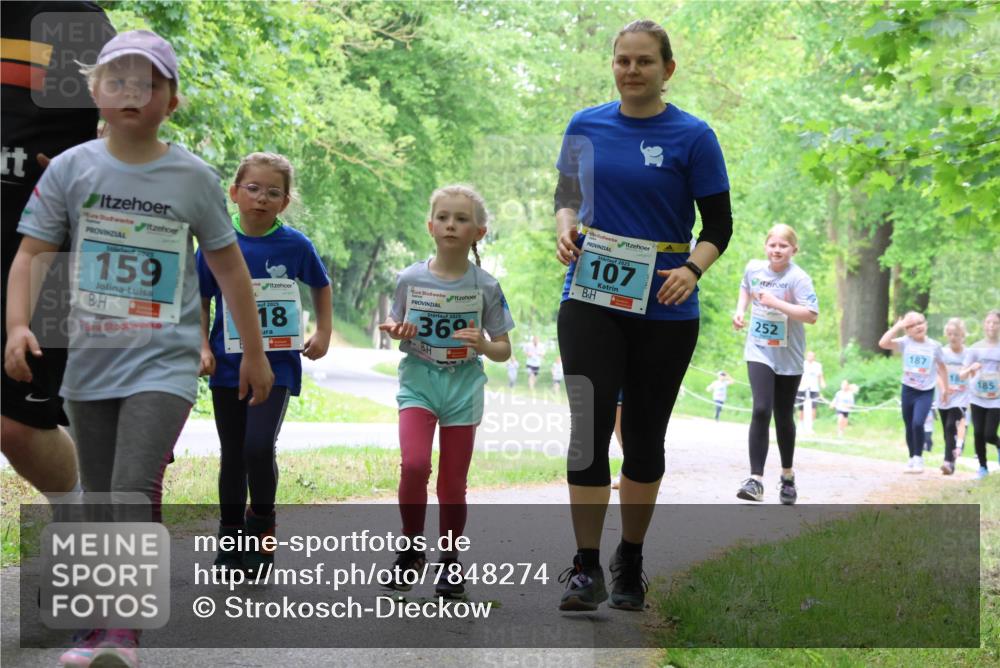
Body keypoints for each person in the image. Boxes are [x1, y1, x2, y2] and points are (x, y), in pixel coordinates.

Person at [3, 31, 274, 666]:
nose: (131, 92)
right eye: (117, 79)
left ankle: (122, 633)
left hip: (164, 359)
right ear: (95, 90)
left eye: (147, 82)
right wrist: (18, 325)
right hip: (89, 361)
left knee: (130, 486)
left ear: (171, 100)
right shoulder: (72, 168)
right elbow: (32, 255)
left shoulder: (193, 178)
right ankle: (97, 628)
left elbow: (230, 269)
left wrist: (254, 353)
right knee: (100, 497)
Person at [554, 19, 732, 612]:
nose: (631, 71)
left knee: (646, 438)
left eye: (644, 62)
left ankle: (628, 556)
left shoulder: (693, 136)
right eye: (622, 60)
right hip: (590, 295)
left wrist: (693, 269)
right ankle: (584, 567)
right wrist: (563, 227)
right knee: (588, 431)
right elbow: (567, 195)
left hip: (665, 300)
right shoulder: (585, 125)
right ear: (613, 65)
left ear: (667, 69)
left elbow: (719, 227)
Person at [196, 152, 332, 572]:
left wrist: (324, 332)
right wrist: (202, 344)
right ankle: (231, 538)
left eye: (273, 192)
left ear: (285, 202)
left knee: (258, 447)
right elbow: (200, 299)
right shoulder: (218, 244)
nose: (261, 198)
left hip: (278, 365)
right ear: (234, 193)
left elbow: (321, 286)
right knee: (233, 452)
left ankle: (262, 529)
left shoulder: (296, 245)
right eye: (252, 189)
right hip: (227, 364)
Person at [1, 3, 113, 505]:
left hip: (43, 253)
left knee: (16, 426)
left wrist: (100, 160)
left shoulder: (77, 20)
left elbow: (127, 119)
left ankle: (79, 515)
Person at [379, 184, 513, 598]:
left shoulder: (485, 286)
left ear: (479, 231)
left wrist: (484, 345)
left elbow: (505, 348)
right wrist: (398, 330)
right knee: (415, 465)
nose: (451, 225)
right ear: (430, 225)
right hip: (419, 379)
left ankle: (450, 562)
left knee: (453, 483)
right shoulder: (410, 277)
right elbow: (396, 323)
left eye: (461, 219)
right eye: (444, 218)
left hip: (463, 384)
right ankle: (411, 547)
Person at [732, 224, 819, 504]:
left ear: (794, 250)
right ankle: (755, 479)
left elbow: (811, 315)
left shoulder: (799, 278)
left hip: (788, 356)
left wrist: (776, 303)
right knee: (760, 409)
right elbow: (746, 288)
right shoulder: (754, 269)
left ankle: (787, 476)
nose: (777, 250)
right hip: (759, 350)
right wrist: (740, 311)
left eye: (783, 246)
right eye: (773, 245)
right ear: (765, 246)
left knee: (783, 416)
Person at [878, 311, 949, 474]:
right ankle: (911, 457)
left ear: (926, 324)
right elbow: (883, 343)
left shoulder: (934, 345)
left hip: (925, 391)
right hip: (908, 390)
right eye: (912, 325)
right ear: (907, 330)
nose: (918, 327)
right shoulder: (905, 342)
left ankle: (918, 457)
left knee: (918, 423)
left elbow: (942, 368)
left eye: (921, 323)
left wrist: (945, 388)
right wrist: (897, 326)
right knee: (909, 425)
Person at [960, 310, 1000, 479]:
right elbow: (962, 374)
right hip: (977, 396)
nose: (991, 325)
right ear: (984, 325)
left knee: (989, 434)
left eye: (995, 323)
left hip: (997, 398)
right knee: (978, 433)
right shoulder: (976, 347)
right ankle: (983, 468)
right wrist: (971, 368)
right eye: (988, 322)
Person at [938, 317, 969, 475]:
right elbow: (937, 373)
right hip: (944, 397)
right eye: (949, 334)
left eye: (956, 334)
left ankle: (947, 462)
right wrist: (944, 388)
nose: (952, 337)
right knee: (947, 431)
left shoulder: (969, 354)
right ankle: (954, 455)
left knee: (951, 426)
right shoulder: (942, 352)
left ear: (962, 335)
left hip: (962, 398)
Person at [796, 350, 825, 421]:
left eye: (812, 356)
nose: (810, 357)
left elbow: (820, 376)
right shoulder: (802, 364)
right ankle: (801, 423)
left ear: (814, 357)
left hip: (814, 388)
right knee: (801, 406)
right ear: (806, 356)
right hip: (802, 388)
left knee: (814, 406)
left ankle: (811, 424)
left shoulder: (818, 365)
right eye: (809, 355)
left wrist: (822, 383)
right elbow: (798, 375)